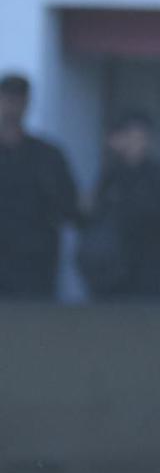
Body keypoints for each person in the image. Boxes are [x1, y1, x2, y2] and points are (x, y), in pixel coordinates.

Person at [77, 109, 160, 301]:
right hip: (109, 279)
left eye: (137, 136)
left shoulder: (156, 178)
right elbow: (87, 218)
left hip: (145, 276)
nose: (134, 142)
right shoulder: (109, 178)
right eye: (125, 135)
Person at [0, 72, 83, 301]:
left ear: (27, 103)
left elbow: (70, 206)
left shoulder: (47, 156)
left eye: (18, 100)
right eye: (8, 99)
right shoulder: (48, 155)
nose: (12, 107)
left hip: (33, 266)